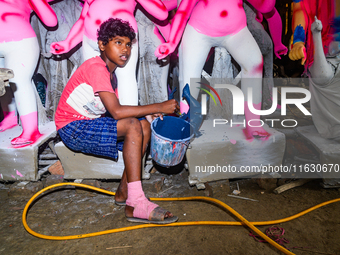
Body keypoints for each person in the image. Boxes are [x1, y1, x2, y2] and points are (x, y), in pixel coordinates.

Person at [55, 18, 179, 223]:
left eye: (128, 44)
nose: (125, 50)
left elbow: (114, 112)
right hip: (72, 127)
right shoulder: (96, 68)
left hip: (87, 123)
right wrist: (158, 106)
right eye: (118, 42)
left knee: (144, 126)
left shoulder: (109, 74)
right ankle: (138, 201)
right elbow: (117, 111)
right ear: (102, 45)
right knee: (133, 125)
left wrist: (146, 115)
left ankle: (126, 194)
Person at [155, 0, 287, 139]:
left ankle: (253, 124)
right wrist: (172, 42)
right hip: (198, 31)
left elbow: (265, 7)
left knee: (254, 63)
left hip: (236, 32)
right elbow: (183, 10)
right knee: (188, 77)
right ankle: (186, 125)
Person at [50, 0, 169, 106]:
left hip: (122, 42)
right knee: (91, 81)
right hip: (91, 41)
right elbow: (83, 19)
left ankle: (129, 122)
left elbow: (162, 13)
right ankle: (93, 121)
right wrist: (68, 43)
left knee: (126, 80)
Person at [0, 0, 58, 146]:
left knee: (18, 80)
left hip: (20, 43)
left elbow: (51, 21)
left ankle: (31, 130)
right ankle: (10, 119)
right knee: (3, 83)